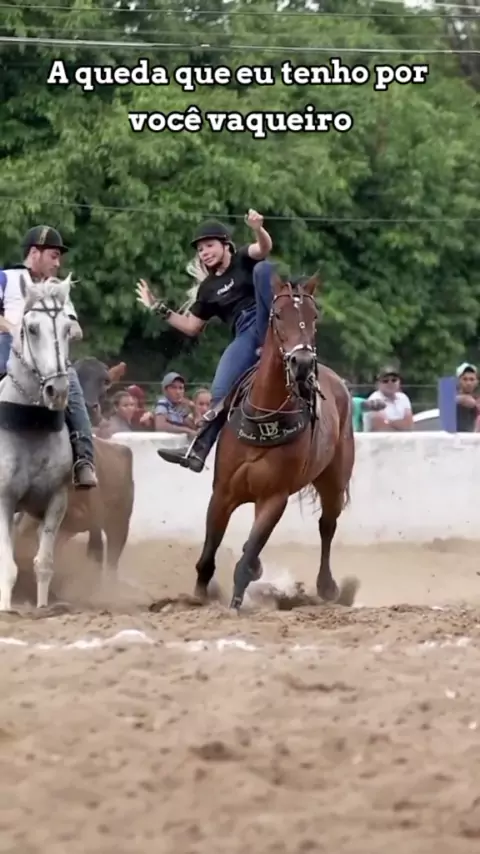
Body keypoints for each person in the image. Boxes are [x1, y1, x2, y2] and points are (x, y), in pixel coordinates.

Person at [135, 210, 273, 472]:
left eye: (209, 245)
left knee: (265, 268)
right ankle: (198, 451)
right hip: (245, 333)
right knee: (219, 391)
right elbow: (191, 326)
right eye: (200, 249)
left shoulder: (243, 258)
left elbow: (264, 248)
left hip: (272, 319)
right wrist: (158, 308)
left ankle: (277, 336)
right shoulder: (208, 288)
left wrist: (258, 228)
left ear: (225, 244)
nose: (204, 252)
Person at [0, 225, 97, 488]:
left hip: (49, 362)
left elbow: (73, 324)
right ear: (34, 253)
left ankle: (83, 460)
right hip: (6, 355)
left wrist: (70, 327)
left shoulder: (56, 289)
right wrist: (13, 328)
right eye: (54, 255)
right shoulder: (5, 278)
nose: (58, 263)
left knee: (72, 391)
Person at [362, 366, 413, 432]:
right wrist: (401, 424)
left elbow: (409, 426)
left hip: (402, 438)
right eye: (385, 381)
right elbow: (382, 428)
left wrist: (389, 422)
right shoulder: (373, 401)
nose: (390, 383)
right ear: (378, 384)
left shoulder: (403, 398)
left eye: (394, 380)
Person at [154, 371, 196, 436]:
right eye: (173, 388)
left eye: (181, 388)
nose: (178, 392)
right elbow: (160, 426)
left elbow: (194, 427)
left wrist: (194, 409)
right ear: (165, 390)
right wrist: (186, 430)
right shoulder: (163, 403)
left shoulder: (180, 407)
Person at [455, 362, 480, 432]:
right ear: (458, 381)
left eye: (472, 379)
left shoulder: (477, 401)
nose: (468, 383)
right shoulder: (451, 401)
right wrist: (459, 400)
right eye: (465, 379)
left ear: (477, 382)